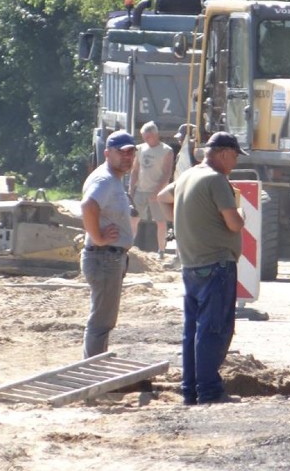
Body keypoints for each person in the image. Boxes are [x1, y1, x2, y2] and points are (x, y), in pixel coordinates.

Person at [157, 131, 247, 405]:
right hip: (217, 264)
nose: (235, 162)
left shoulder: (187, 176)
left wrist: (185, 220)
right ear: (222, 153)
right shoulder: (216, 180)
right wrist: (241, 213)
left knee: (193, 330)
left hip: (192, 264)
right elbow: (234, 224)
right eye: (234, 156)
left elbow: (162, 196)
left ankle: (190, 389)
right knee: (215, 329)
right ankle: (209, 391)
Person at [80, 130, 137, 358]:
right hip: (104, 256)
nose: (127, 157)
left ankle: (95, 369)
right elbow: (87, 206)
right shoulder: (105, 179)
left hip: (107, 257)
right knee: (101, 323)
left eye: (131, 152)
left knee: (103, 321)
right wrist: (99, 237)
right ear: (107, 153)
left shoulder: (111, 179)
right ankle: (92, 374)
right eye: (121, 152)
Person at [128, 121, 173, 259]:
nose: (145, 140)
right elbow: (135, 170)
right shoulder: (140, 149)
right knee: (133, 219)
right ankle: (128, 247)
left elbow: (167, 173)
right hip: (141, 190)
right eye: (144, 137)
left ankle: (161, 251)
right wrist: (131, 190)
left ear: (155, 135)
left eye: (148, 137)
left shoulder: (166, 151)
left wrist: (157, 192)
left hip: (157, 193)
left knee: (160, 221)